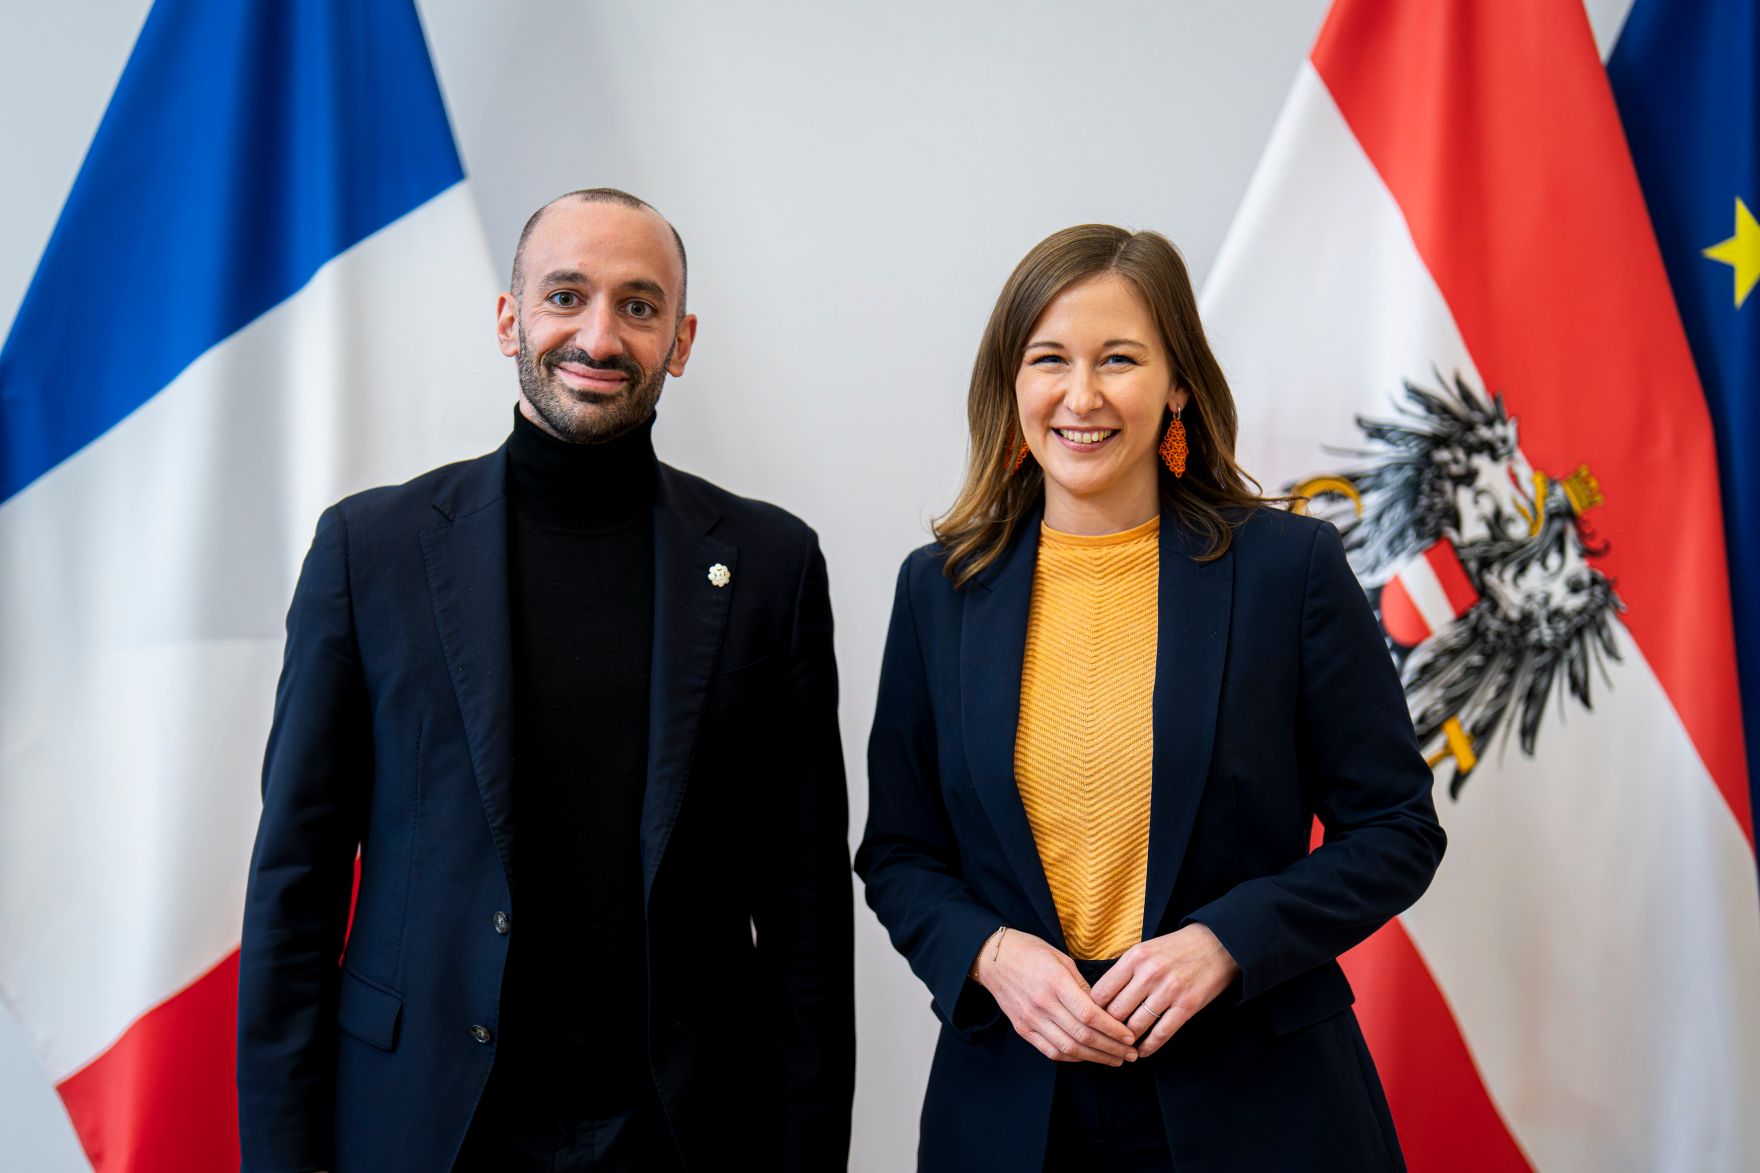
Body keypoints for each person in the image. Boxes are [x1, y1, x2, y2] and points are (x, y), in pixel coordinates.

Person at [237, 189, 854, 1173]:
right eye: (565, 295)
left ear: (681, 340)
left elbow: (804, 917)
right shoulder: (370, 552)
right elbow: (294, 888)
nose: (598, 335)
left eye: (638, 305)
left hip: (681, 1133)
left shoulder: (770, 567)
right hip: (424, 1128)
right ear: (507, 318)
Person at [855, 224, 1446, 1172]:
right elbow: (900, 852)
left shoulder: (1287, 570)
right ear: (1012, 385)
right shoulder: (940, 590)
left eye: (1118, 359)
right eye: (1049, 359)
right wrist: (990, 955)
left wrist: (1225, 939)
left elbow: (1397, 828)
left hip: (1259, 1100)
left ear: (1177, 384)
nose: (1080, 396)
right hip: (1013, 1102)